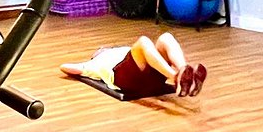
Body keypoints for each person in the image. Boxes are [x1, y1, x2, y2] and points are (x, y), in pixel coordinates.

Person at [60, 33, 207, 100]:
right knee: (143, 42)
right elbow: (65, 67)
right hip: (125, 78)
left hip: (149, 74)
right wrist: (80, 68)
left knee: (165, 38)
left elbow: (150, 55)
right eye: (99, 49)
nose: (101, 48)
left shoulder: (124, 50)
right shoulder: (94, 63)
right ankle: (176, 77)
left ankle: (186, 74)